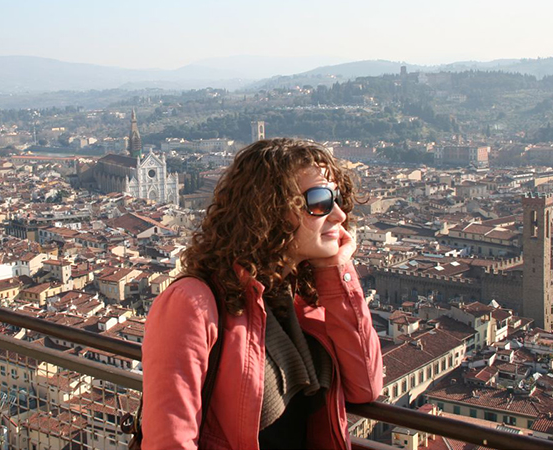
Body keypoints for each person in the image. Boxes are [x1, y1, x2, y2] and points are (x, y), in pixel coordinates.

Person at [142, 138, 383, 450]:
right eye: (320, 201)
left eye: (337, 199)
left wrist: (337, 271)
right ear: (270, 208)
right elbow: (170, 443)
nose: (338, 215)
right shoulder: (192, 304)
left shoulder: (302, 302)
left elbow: (365, 387)